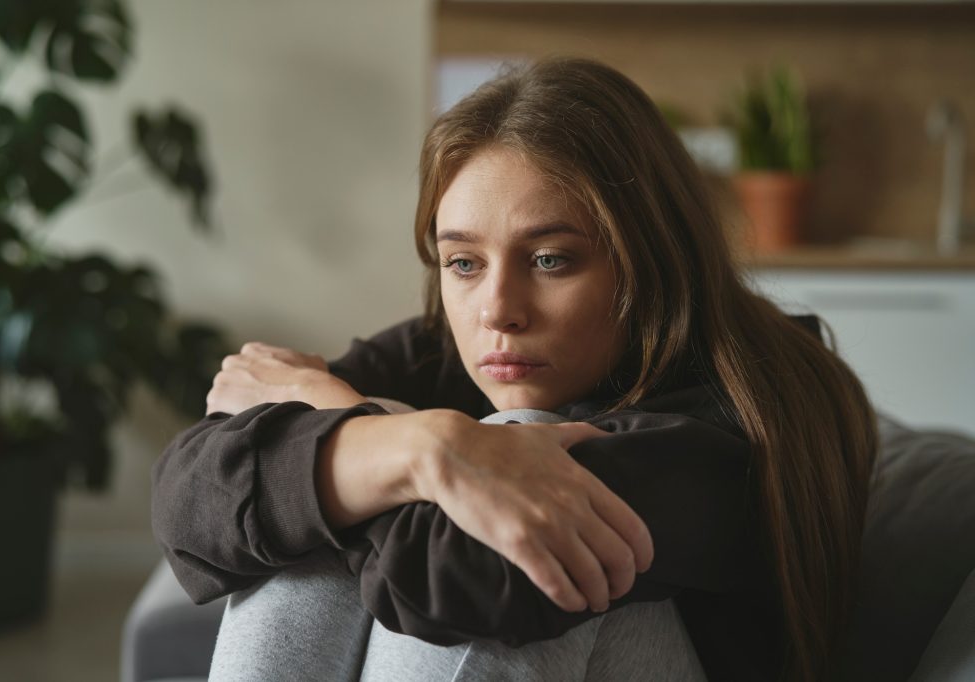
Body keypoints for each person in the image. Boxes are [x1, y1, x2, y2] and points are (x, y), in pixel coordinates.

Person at [151, 57, 876, 682]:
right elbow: (188, 500)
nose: (498, 309)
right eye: (463, 263)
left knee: (496, 448)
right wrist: (419, 449)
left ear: (651, 260)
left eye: (551, 259)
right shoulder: (454, 348)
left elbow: (468, 584)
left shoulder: (738, 415)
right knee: (315, 502)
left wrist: (354, 419)